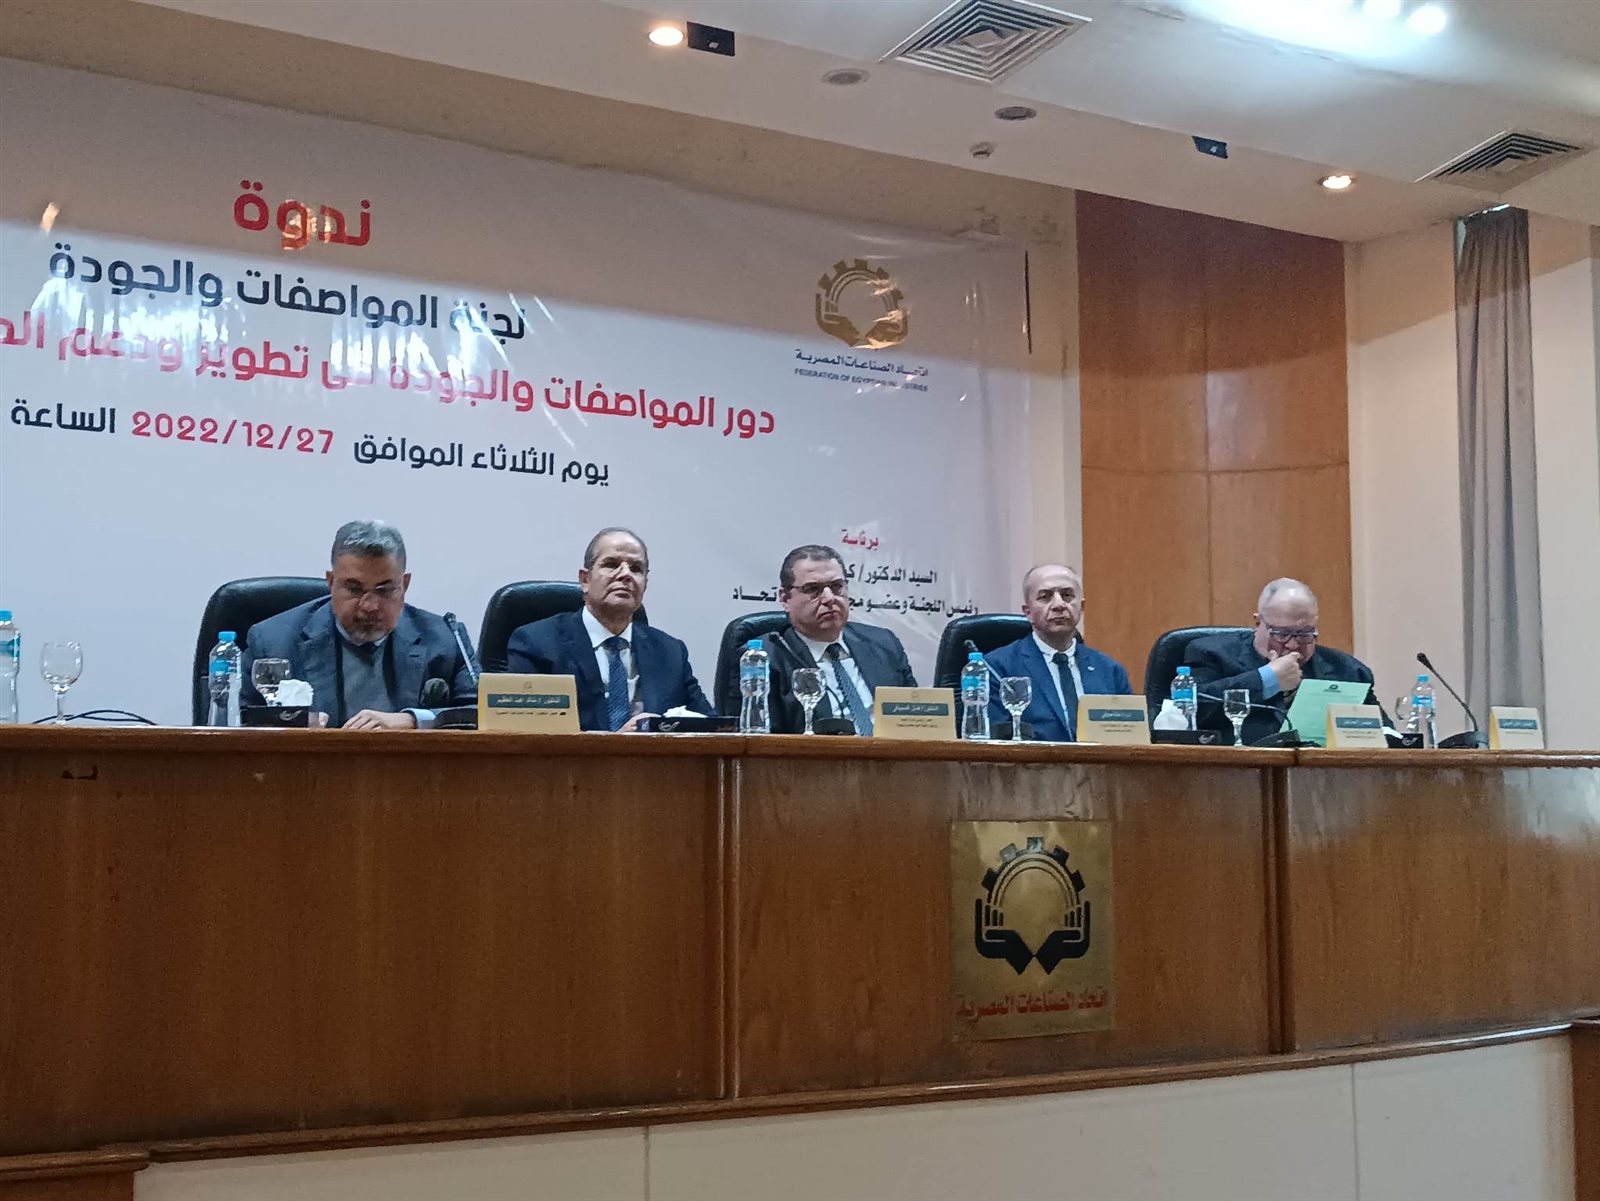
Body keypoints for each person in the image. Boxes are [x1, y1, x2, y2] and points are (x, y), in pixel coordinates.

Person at [241, 520, 478, 730]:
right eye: (354, 589)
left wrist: (413, 720)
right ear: (331, 582)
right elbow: (239, 719)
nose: (370, 605)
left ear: (404, 584)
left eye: (385, 590)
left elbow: (481, 713)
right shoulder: (273, 641)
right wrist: (296, 721)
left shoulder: (444, 637)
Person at [505, 527, 712, 731]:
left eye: (636, 568)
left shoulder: (670, 652)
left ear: (645, 584)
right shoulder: (537, 643)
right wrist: (616, 742)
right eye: (612, 564)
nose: (626, 575)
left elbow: (711, 728)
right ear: (585, 580)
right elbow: (522, 735)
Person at [1182, 577, 1378, 744]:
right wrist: (1268, 679)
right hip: (1239, 770)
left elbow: (1384, 733)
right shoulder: (1211, 654)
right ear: (1258, 623)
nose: (1293, 645)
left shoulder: (1349, 671)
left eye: (1305, 634)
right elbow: (1189, 710)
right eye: (1281, 634)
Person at [762, 544, 917, 735]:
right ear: (785, 598)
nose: (829, 598)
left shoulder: (884, 644)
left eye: (836, 587)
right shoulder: (768, 659)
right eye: (813, 589)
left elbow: (915, 721)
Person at [984, 564, 1131, 741]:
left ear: (1081, 607)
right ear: (1028, 612)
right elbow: (992, 743)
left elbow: (1130, 738)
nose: (1059, 604)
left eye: (1067, 595)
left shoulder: (1110, 671)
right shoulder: (997, 669)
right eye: (1045, 597)